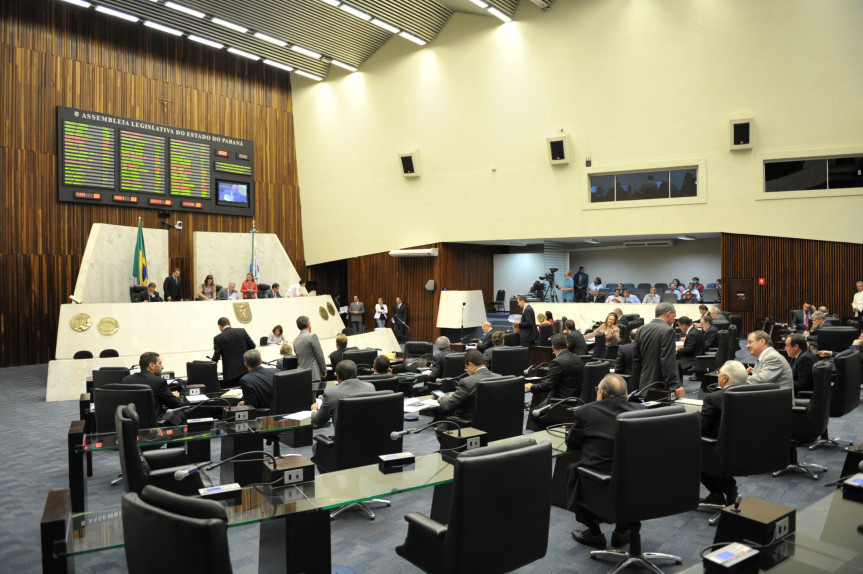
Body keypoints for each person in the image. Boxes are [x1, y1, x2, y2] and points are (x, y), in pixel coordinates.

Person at [566, 374, 644, 550]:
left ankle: (595, 533)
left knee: (572, 470)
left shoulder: (586, 412)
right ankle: (621, 531)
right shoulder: (642, 410)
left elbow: (572, 444)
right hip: (639, 483)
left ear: (601, 393)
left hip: (602, 482)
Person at [699, 360, 748, 504]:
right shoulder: (752, 394)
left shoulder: (713, 398)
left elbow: (703, 428)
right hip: (748, 450)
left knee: (686, 447)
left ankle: (727, 487)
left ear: (725, 378)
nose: (718, 377)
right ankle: (717, 494)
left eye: (719, 374)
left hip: (721, 452)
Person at [526, 334, 585, 428]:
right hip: (576, 399)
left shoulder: (557, 361)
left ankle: (549, 432)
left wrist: (531, 386)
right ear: (567, 345)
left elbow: (547, 385)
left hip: (559, 401)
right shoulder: (578, 358)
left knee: (533, 414)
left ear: (553, 347)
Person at [632, 302, 683, 396]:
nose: (674, 320)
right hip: (661, 384)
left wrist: (636, 384)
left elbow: (636, 359)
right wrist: (674, 385)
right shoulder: (668, 330)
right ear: (668, 313)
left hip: (644, 383)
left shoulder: (641, 329)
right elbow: (668, 361)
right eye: (674, 316)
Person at [437, 350, 500, 420]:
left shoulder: (466, 382)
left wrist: (443, 398)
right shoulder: (500, 378)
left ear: (470, 365)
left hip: (469, 425)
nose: (466, 371)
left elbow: (448, 406)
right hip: (495, 421)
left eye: (466, 368)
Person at [310, 360, 375, 426]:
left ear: (337, 376)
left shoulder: (330, 393)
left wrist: (314, 410)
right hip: (369, 435)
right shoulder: (370, 387)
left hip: (345, 436)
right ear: (355, 373)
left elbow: (319, 421)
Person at [120, 352, 183, 416]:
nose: (162, 367)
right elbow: (175, 404)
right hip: (153, 424)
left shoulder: (126, 380)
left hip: (132, 423)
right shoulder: (159, 381)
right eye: (160, 363)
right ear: (151, 365)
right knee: (179, 414)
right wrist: (176, 396)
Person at [212, 317, 256, 388]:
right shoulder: (242, 331)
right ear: (230, 324)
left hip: (230, 375)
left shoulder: (218, 338)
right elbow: (253, 346)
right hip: (245, 370)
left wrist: (210, 368)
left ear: (220, 326)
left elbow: (216, 357)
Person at [294, 315, 327, 383]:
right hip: (313, 375)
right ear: (309, 324)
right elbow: (319, 355)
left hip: (301, 375)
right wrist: (324, 371)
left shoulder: (295, 340)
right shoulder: (312, 336)